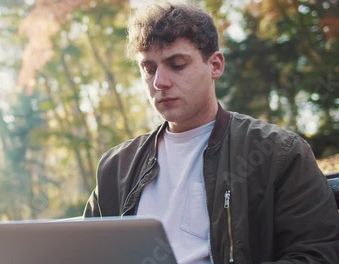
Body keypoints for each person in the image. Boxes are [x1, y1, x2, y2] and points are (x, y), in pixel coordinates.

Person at [83, 1, 339, 263]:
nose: (159, 82)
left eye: (177, 64)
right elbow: (82, 252)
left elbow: (318, 253)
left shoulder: (279, 153)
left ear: (215, 65)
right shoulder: (115, 168)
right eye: (149, 69)